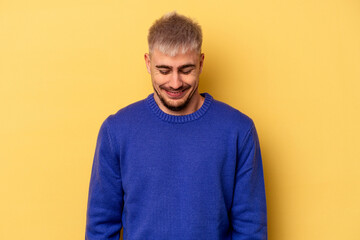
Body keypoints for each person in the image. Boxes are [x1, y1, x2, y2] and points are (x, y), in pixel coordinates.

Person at [85, 12, 267, 240]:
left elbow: (250, 228)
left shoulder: (239, 130)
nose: (175, 83)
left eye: (186, 70)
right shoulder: (116, 130)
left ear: (201, 63)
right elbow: (101, 226)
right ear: (148, 63)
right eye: (164, 70)